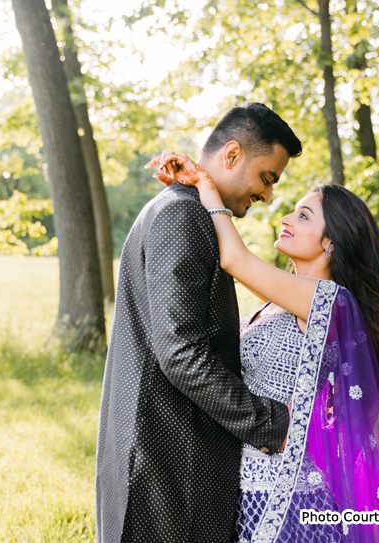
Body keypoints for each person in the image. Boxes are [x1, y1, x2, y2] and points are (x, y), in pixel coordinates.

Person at [147, 151, 379, 543]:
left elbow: (235, 258)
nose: (285, 219)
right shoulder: (284, 302)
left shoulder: (329, 302)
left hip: (291, 499)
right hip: (251, 485)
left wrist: (206, 185)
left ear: (331, 242)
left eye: (303, 216)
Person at [95, 102, 303, 543]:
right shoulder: (182, 215)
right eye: (267, 177)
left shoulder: (189, 210)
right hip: (166, 464)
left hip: (165, 458)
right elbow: (182, 353)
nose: (267, 196)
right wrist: (273, 423)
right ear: (232, 155)